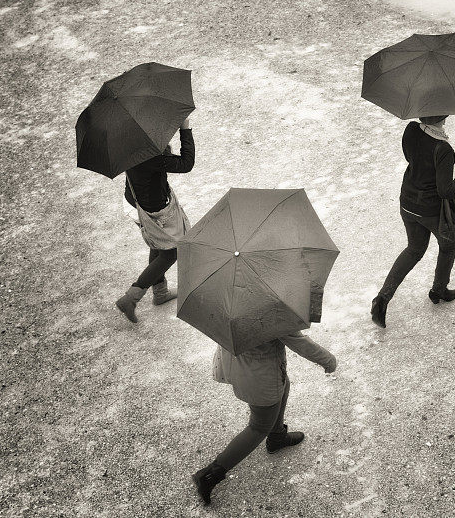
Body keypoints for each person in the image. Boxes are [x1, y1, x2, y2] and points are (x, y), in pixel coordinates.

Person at [193, 331, 337, 505]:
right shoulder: (271, 311)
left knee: (284, 386)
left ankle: (277, 437)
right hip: (260, 375)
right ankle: (209, 476)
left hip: (245, 366)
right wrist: (328, 360)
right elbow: (297, 340)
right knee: (258, 427)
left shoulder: (235, 307)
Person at [371, 115, 455, 327]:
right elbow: (445, 191)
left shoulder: (411, 129)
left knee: (414, 250)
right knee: (448, 245)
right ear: (443, 116)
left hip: (407, 202)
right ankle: (439, 290)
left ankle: (382, 299)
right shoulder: (443, 148)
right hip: (430, 210)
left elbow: (410, 158)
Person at [115, 113, 195, 323]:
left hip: (136, 202)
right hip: (149, 210)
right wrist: (185, 129)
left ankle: (160, 293)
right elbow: (186, 164)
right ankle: (131, 298)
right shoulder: (149, 154)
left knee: (158, 246)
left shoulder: (129, 141)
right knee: (171, 253)